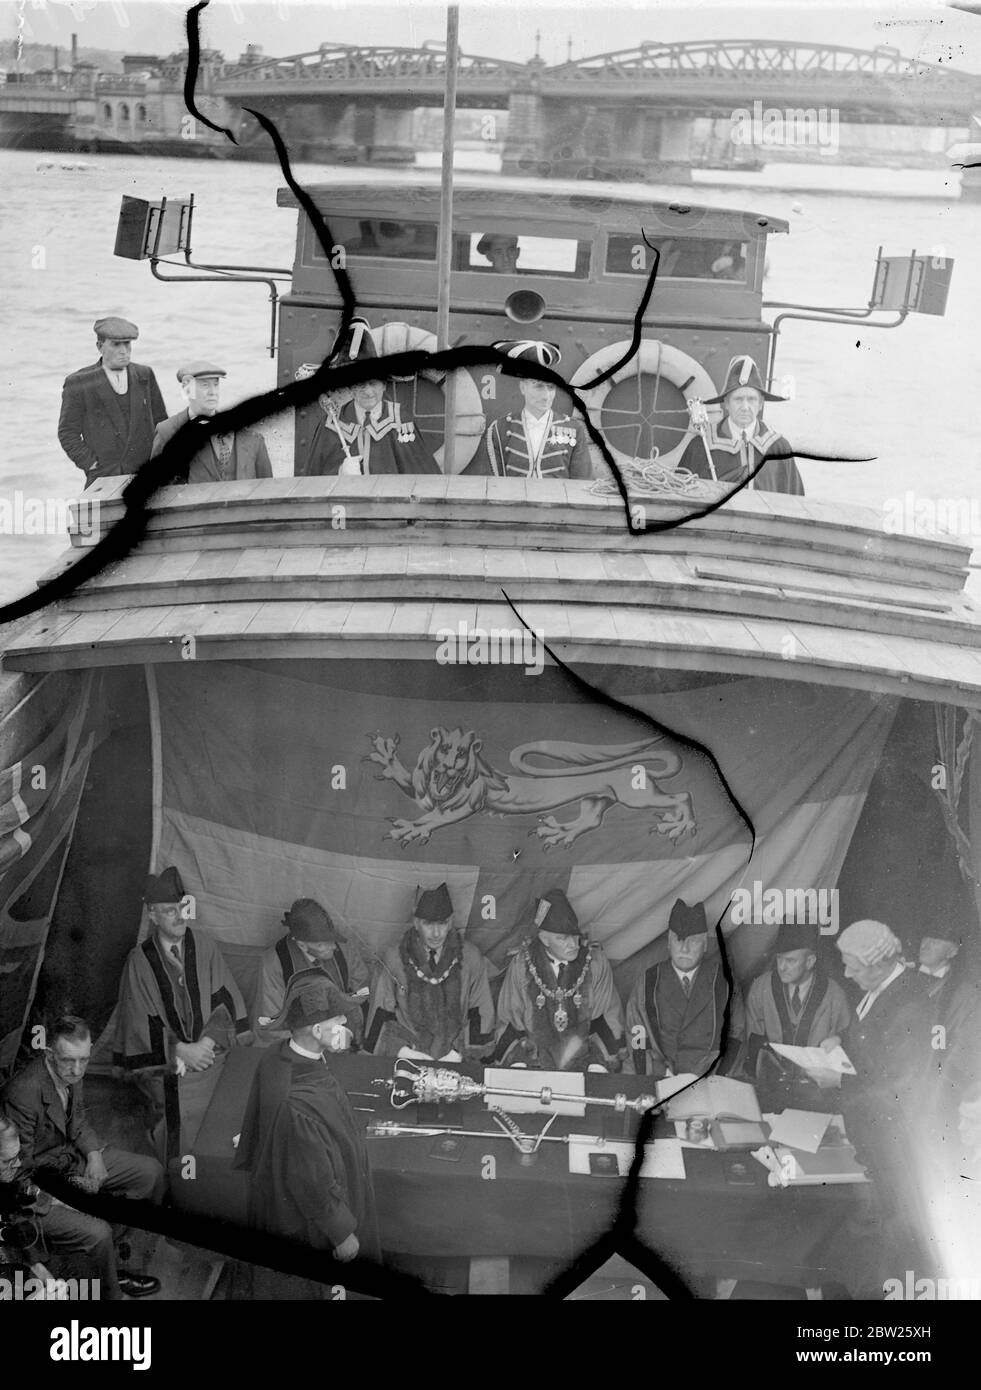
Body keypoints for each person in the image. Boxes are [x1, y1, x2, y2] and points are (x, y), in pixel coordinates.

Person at [1, 1016, 163, 1299]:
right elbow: (17, 1171)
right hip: (38, 1189)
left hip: (71, 1158)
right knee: (98, 1232)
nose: (77, 1069)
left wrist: (94, 1156)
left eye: (84, 1060)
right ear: (50, 1054)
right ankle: (109, 1291)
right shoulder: (22, 1093)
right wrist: (67, 1193)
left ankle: (111, 1261)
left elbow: (77, 1123)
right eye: (68, 1060)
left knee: (150, 1173)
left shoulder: (72, 1071)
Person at [234, 969, 379, 1286]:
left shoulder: (275, 1055)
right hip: (302, 1223)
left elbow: (262, 1111)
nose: (344, 1025)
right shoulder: (299, 1107)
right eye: (338, 1021)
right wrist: (342, 1233)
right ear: (315, 1029)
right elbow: (311, 1180)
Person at [113, 866, 253, 1161]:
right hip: (167, 1062)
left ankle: (214, 1176)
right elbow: (140, 1024)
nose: (179, 917)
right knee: (179, 1106)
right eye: (168, 911)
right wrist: (180, 1051)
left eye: (182, 908)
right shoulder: (140, 961)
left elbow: (225, 1001)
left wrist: (207, 1044)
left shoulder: (205, 946)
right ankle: (179, 1177)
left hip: (213, 1052)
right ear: (152, 915)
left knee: (236, 1095)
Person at [834, 919, 932, 1191]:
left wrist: (838, 1079)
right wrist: (840, 1039)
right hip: (868, 1130)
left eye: (853, 967)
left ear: (877, 966)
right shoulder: (877, 986)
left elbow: (896, 1089)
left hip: (890, 1146)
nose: (845, 974)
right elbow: (870, 1035)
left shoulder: (909, 1005)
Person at [494, 888, 625, 1072]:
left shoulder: (595, 962)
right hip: (534, 1066)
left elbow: (608, 1017)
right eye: (562, 938)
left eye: (574, 935)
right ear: (544, 940)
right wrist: (518, 1065)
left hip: (585, 1067)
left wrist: (598, 1066)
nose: (573, 944)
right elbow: (509, 1020)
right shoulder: (522, 965)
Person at [364, 882, 495, 1062]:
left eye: (442, 924)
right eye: (428, 924)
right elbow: (380, 1014)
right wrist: (404, 1052)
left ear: (451, 921)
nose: (436, 933)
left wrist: (457, 1054)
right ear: (416, 923)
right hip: (408, 1057)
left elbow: (481, 1012)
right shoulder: (394, 958)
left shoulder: (470, 957)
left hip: (457, 1059)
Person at [301, 317, 441, 477]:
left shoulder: (401, 421)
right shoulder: (331, 425)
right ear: (350, 387)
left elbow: (422, 480)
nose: (368, 392)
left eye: (373, 383)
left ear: (384, 384)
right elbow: (312, 482)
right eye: (360, 384)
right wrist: (340, 472)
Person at [626, 898, 746, 1079]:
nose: (685, 948)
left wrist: (714, 1077)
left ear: (705, 944)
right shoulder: (648, 982)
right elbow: (636, 1035)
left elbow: (736, 1037)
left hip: (710, 1079)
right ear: (668, 941)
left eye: (694, 941)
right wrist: (661, 1073)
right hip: (659, 1076)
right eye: (678, 940)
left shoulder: (725, 982)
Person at [745, 922, 851, 1103]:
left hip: (817, 1094)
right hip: (769, 1090)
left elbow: (846, 1045)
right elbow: (751, 1044)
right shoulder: (762, 988)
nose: (782, 967)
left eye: (791, 961)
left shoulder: (834, 995)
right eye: (779, 959)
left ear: (810, 961)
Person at [57, 316, 168, 487]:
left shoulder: (144, 374)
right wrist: (91, 464)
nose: (124, 350)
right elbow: (67, 432)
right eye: (116, 345)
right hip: (103, 478)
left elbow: (162, 423)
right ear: (100, 347)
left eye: (127, 344)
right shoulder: (79, 382)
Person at [463, 340, 592, 480]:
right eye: (538, 387)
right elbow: (492, 483)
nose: (546, 396)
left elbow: (581, 482)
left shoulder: (574, 429)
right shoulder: (500, 429)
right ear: (523, 388)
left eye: (551, 387)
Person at [677, 354, 804, 496]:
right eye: (738, 399)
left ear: (761, 403)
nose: (745, 407)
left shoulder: (779, 448)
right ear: (726, 403)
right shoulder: (701, 446)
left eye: (751, 399)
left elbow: (795, 503)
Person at [255, 898, 370, 1049]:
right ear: (302, 945)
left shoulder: (344, 950)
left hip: (340, 1036)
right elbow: (272, 1022)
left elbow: (362, 992)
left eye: (331, 939)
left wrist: (345, 1029)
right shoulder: (275, 963)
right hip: (293, 1044)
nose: (332, 947)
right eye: (321, 944)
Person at [150, 362, 272, 483]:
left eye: (216, 384)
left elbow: (268, 491)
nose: (213, 392)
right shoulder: (167, 432)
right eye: (205, 385)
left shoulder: (252, 437)